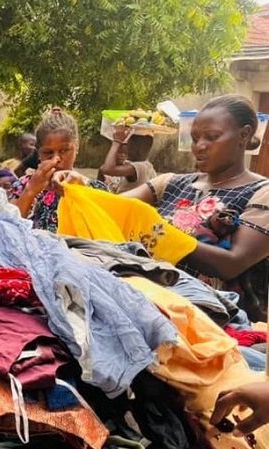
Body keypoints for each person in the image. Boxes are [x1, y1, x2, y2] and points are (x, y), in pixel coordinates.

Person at [57, 95, 269, 322]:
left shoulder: (261, 192)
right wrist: (81, 187)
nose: (200, 146)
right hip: (153, 307)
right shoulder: (171, 183)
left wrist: (160, 232)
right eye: (195, 138)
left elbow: (232, 263)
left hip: (222, 320)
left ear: (244, 135)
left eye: (212, 137)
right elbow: (116, 208)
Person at [9, 108, 108, 232]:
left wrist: (81, 189)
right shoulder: (24, 186)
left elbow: (106, 226)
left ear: (76, 147)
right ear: (38, 153)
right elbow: (9, 228)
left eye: (63, 151)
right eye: (48, 153)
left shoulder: (92, 187)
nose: (56, 159)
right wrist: (31, 191)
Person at [97, 126, 156, 194]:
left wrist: (116, 142)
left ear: (136, 149)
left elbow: (107, 169)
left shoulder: (140, 167)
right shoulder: (147, 166)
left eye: (128, 144)